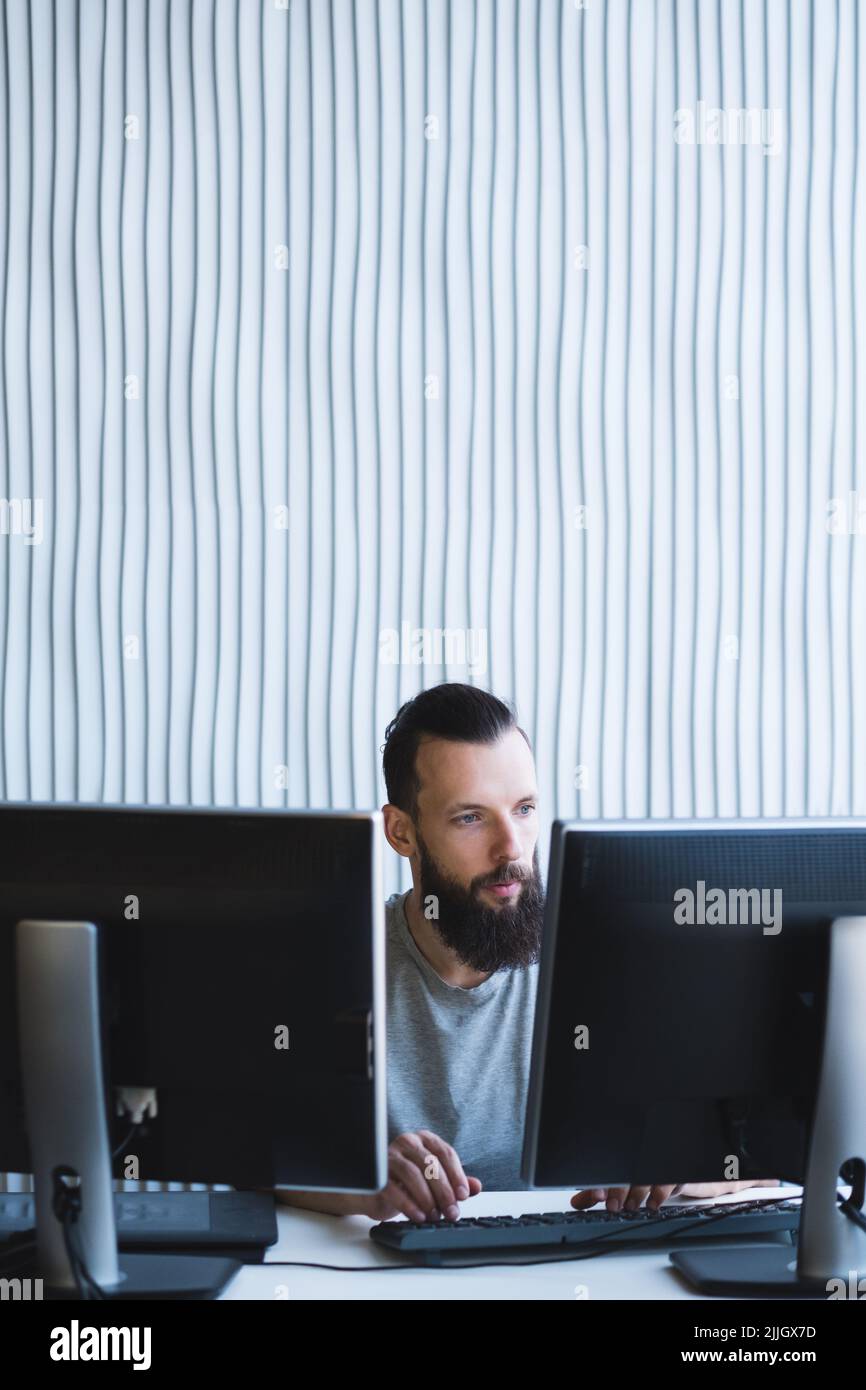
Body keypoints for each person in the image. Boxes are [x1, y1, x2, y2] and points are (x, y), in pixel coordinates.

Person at [278, 682, 775, 1220]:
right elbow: (253, 1159)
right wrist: (365, 1181)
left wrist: (689, 1167)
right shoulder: (334, 961)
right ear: (402, 833)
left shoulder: (613, 958)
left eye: (524, 808)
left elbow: (768, 1150)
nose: (511, 848)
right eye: (470, 817)